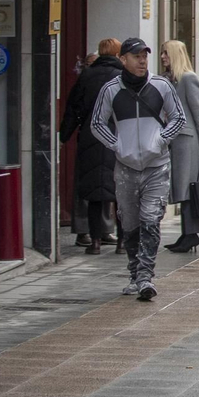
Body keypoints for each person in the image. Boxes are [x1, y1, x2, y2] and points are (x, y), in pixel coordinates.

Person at [90, 38, 186, 301]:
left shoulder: (161, 85)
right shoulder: (111, 89)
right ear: (123, 60)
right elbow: (97, 123)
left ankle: (146, 277)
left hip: (157, 166)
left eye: (145, 56)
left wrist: (162, 139)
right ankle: (134, 272)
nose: (143, 61)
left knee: (151, 219)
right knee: (130, 223)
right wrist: (116, 145)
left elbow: (179, 118)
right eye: (136, 56)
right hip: (125, 168)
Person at [59, 39, 124, 254]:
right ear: (117, 54)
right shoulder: (124, 77)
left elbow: (73, 107)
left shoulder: (86, 76)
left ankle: (95, 242)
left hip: (91, 137)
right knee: (122, 192)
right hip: (118, 137)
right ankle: (123, 243)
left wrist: (64, 135)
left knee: (95, 192)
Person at [159, 40, 199, 253]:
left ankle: (191, 235)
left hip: (187, 142)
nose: (162, 57)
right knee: (181, 189)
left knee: (189, 189)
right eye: (162, 53)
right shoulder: (169, 80)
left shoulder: (188, 79)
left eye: (166, 53)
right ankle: (187, 234)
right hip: (174, 142)